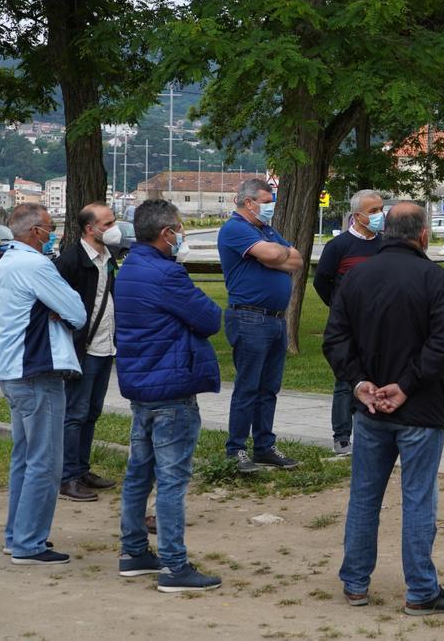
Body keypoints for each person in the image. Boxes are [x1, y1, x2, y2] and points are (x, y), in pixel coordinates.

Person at [322, 201, 444, 616]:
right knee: (418, 498)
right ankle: (421, 591)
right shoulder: (435, 279)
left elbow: (335, 339)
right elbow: (440, 346)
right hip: (419, 407)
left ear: (384, 231)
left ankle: (355, 583)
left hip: (372, 408)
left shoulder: (355, 278)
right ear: (423, 234)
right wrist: (402, 387)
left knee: (364, 498)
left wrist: (360, 383)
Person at [114, 199, 224, 593]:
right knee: (172, 479)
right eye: (179, 228)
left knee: (138, 473)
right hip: (172, 387)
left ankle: (133, 552)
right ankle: (175, 567)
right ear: (166, 234)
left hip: (141, 383)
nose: (182, 235)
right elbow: (210, 318)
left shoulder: (128, 269)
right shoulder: (167, 275)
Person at [0, 202, 87, 565]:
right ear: (35, 232)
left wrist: (55, 308)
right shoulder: (35, 264)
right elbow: (77, 311)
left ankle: (16, 535)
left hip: (13, 370)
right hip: (37, 370)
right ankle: (29, 543)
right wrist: (58, 308)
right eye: (50, 227)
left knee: (24, 458)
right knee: (45, 462)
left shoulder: (7, 261)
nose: (54, 233)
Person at [219, 178, 304, 472]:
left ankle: (264, 446)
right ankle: (237, 448)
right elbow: (274, 254)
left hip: (275, 319)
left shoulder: (264, 230)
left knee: (269, 387)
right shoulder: (235, 228)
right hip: (249, 317)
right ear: (248, 203)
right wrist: (271, 255)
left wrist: (271, 256)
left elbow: (297, 260)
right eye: (266, 202)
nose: (270, 207)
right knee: (248, 386)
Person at [55, 202, 122, 502]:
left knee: (92, 411)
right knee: (76, 412)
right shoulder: (70, 262)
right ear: (89, 229)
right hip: (83, 348)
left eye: (113, 222)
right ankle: (67, 476)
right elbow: (55, 305)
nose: (113, 229)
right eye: (107, 224)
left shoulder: (107, 258)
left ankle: (82, 469)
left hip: (106, 346)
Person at [313, 189, 384, 455]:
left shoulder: (384, 245)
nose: (380, 215)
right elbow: (322, 281)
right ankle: (342, 436)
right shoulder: (339, 246)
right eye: (373, 211)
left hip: (378, 325)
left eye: (381, 209)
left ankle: (371, 432)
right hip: (347, 325)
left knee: (375, 375)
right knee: (346, 380)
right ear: (358, 216)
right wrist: (338, 308)